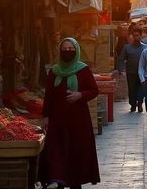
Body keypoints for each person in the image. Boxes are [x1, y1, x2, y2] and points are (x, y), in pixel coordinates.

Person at [38, 38, 100, 189]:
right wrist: (45, 116)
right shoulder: (54, 71)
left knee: (76, 151)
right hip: (57, 119)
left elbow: (94, 90)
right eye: (64, 49)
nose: (67, 52)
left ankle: (74, 182)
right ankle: (57, 180)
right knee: (56, 150)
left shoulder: (83, 70)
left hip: (78, 120)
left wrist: (80, 95)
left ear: (76, 50)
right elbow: (49, 95)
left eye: (70, 49)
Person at [117, 27, 147, 112]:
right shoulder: (127, 47)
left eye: (137, 35)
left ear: (141, 36)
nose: (136, 37)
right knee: (132, 89)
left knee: (142, 89)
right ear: (132, 37)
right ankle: (133, 104)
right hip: (131, 72)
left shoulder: (146, 48)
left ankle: (140, 103)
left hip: (142, 73)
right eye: (134, 36)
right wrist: (120, 69)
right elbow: (121, 58)